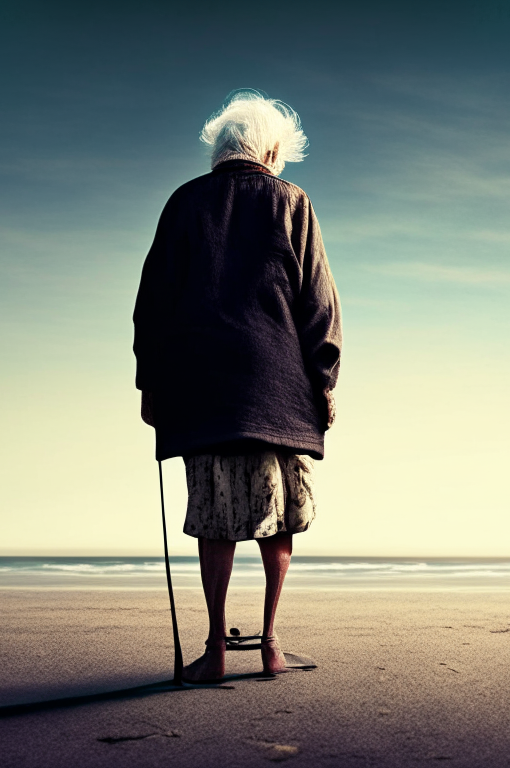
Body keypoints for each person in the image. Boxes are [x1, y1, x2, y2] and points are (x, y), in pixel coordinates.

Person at [133, 90, 342, 682]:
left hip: (202, 395)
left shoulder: (183, 204)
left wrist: (151, 385)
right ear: (271, 150)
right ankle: (271, 647)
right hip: (279, 391)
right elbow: (319, 306)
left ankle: (216, 653)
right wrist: (324, 382)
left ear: (221, 151)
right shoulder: (292, 203)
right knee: (279, 520)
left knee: (215, 519)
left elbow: (151, 308)